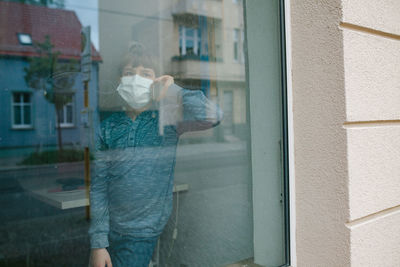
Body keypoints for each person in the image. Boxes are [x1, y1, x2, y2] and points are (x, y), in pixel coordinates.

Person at [88, 43, 222, 267]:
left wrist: (174, 90)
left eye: (145, 74)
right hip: (110, 230)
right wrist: (98, 243)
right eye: (129, 73)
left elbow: (213, 116)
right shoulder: (107, 127)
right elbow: (99, 187)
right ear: (120, 80)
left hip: (142, 231)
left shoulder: (167, 121)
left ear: (156, 81)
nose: (135, 79)